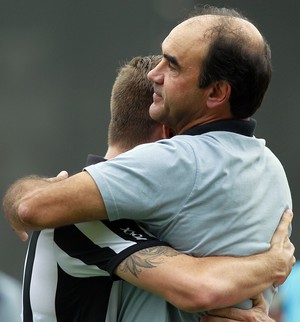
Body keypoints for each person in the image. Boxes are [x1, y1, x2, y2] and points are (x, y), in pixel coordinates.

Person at [3, 6, 295, 321]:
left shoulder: (177, 160)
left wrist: (33, 190)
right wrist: (271, 265)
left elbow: (30, 208)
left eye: (172, 65)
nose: (156, 74)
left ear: (216, 92)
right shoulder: (272, 169)